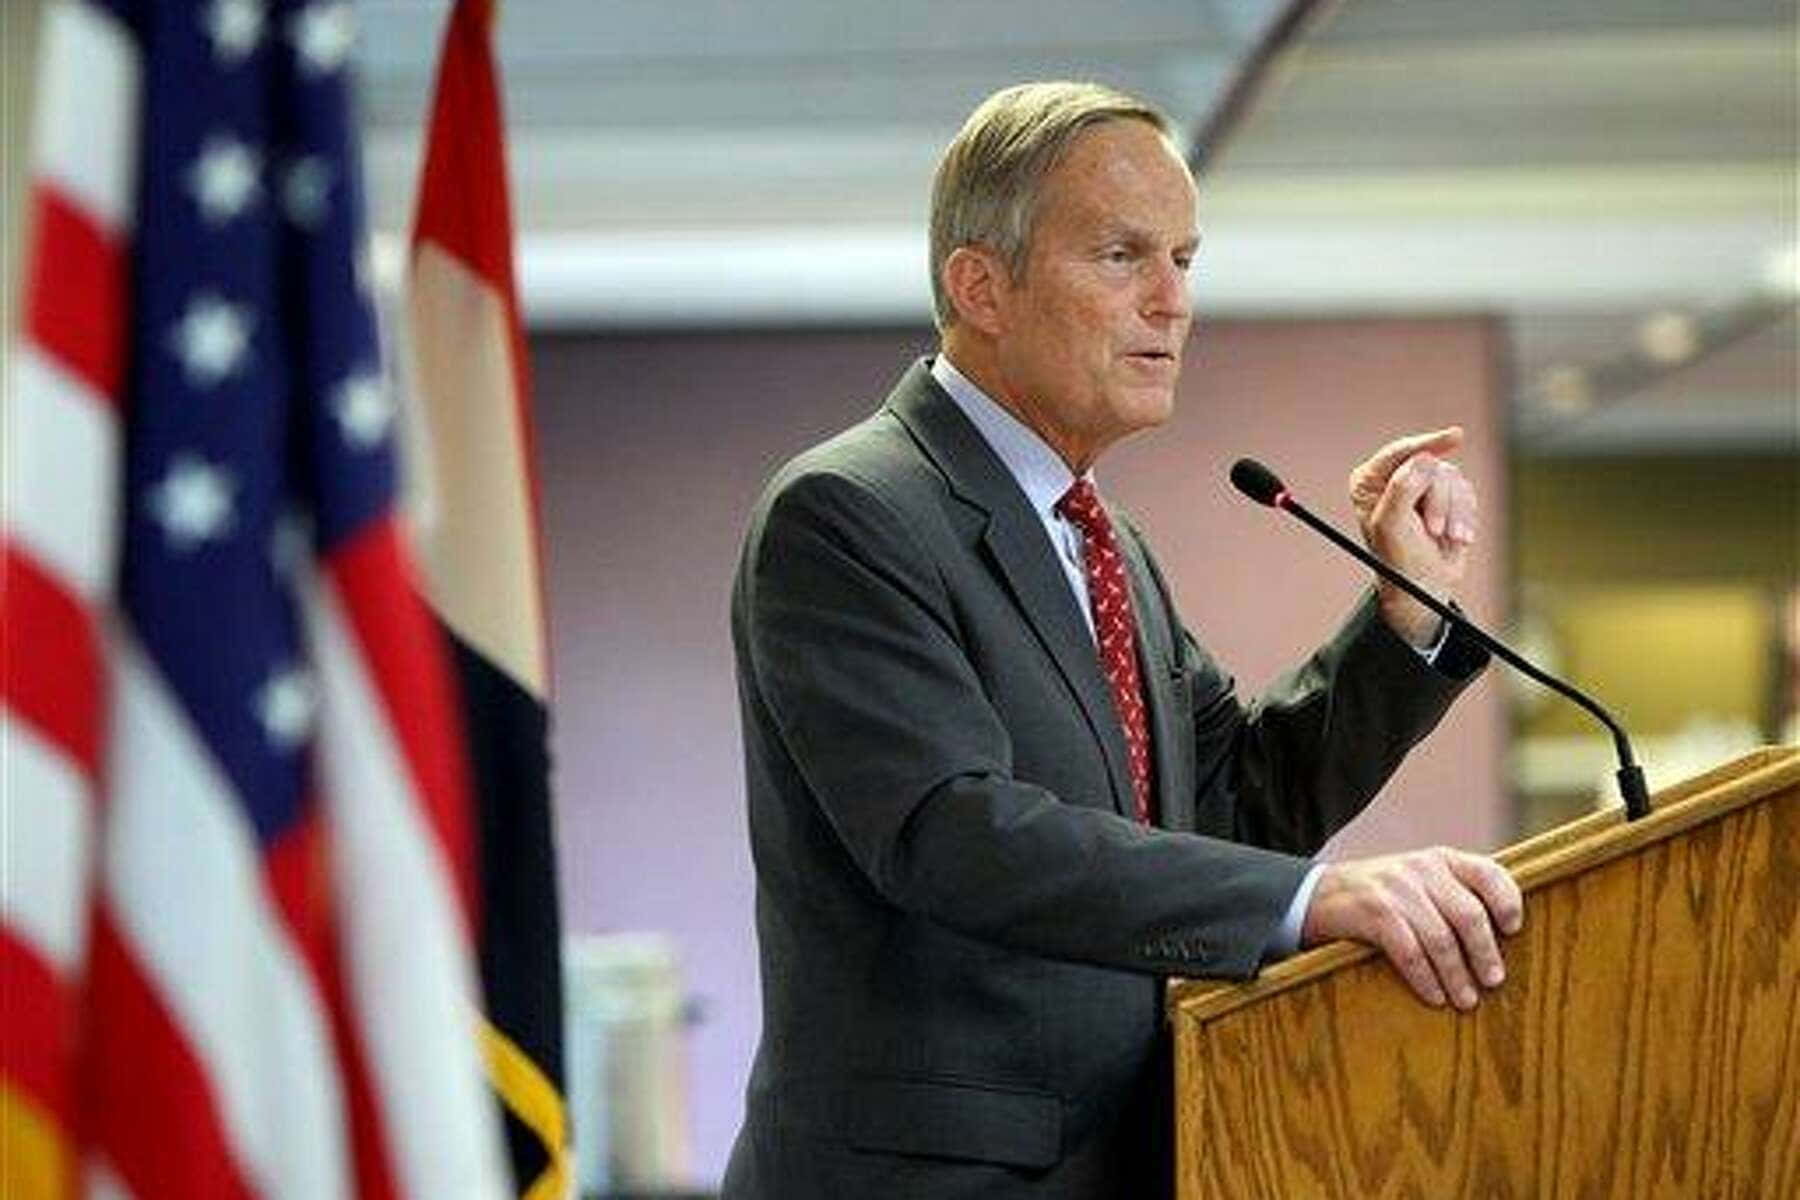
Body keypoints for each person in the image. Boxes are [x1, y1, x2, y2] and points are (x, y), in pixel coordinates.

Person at [722, 81, 1524, 1199]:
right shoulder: (848, 512)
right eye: (1122, 256)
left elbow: (1234, 801)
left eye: (1185, 260)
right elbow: (950, 832)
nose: (1173, 301)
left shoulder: (1102, 539)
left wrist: (1407, 616)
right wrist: (1303, 903)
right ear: (980, 286)